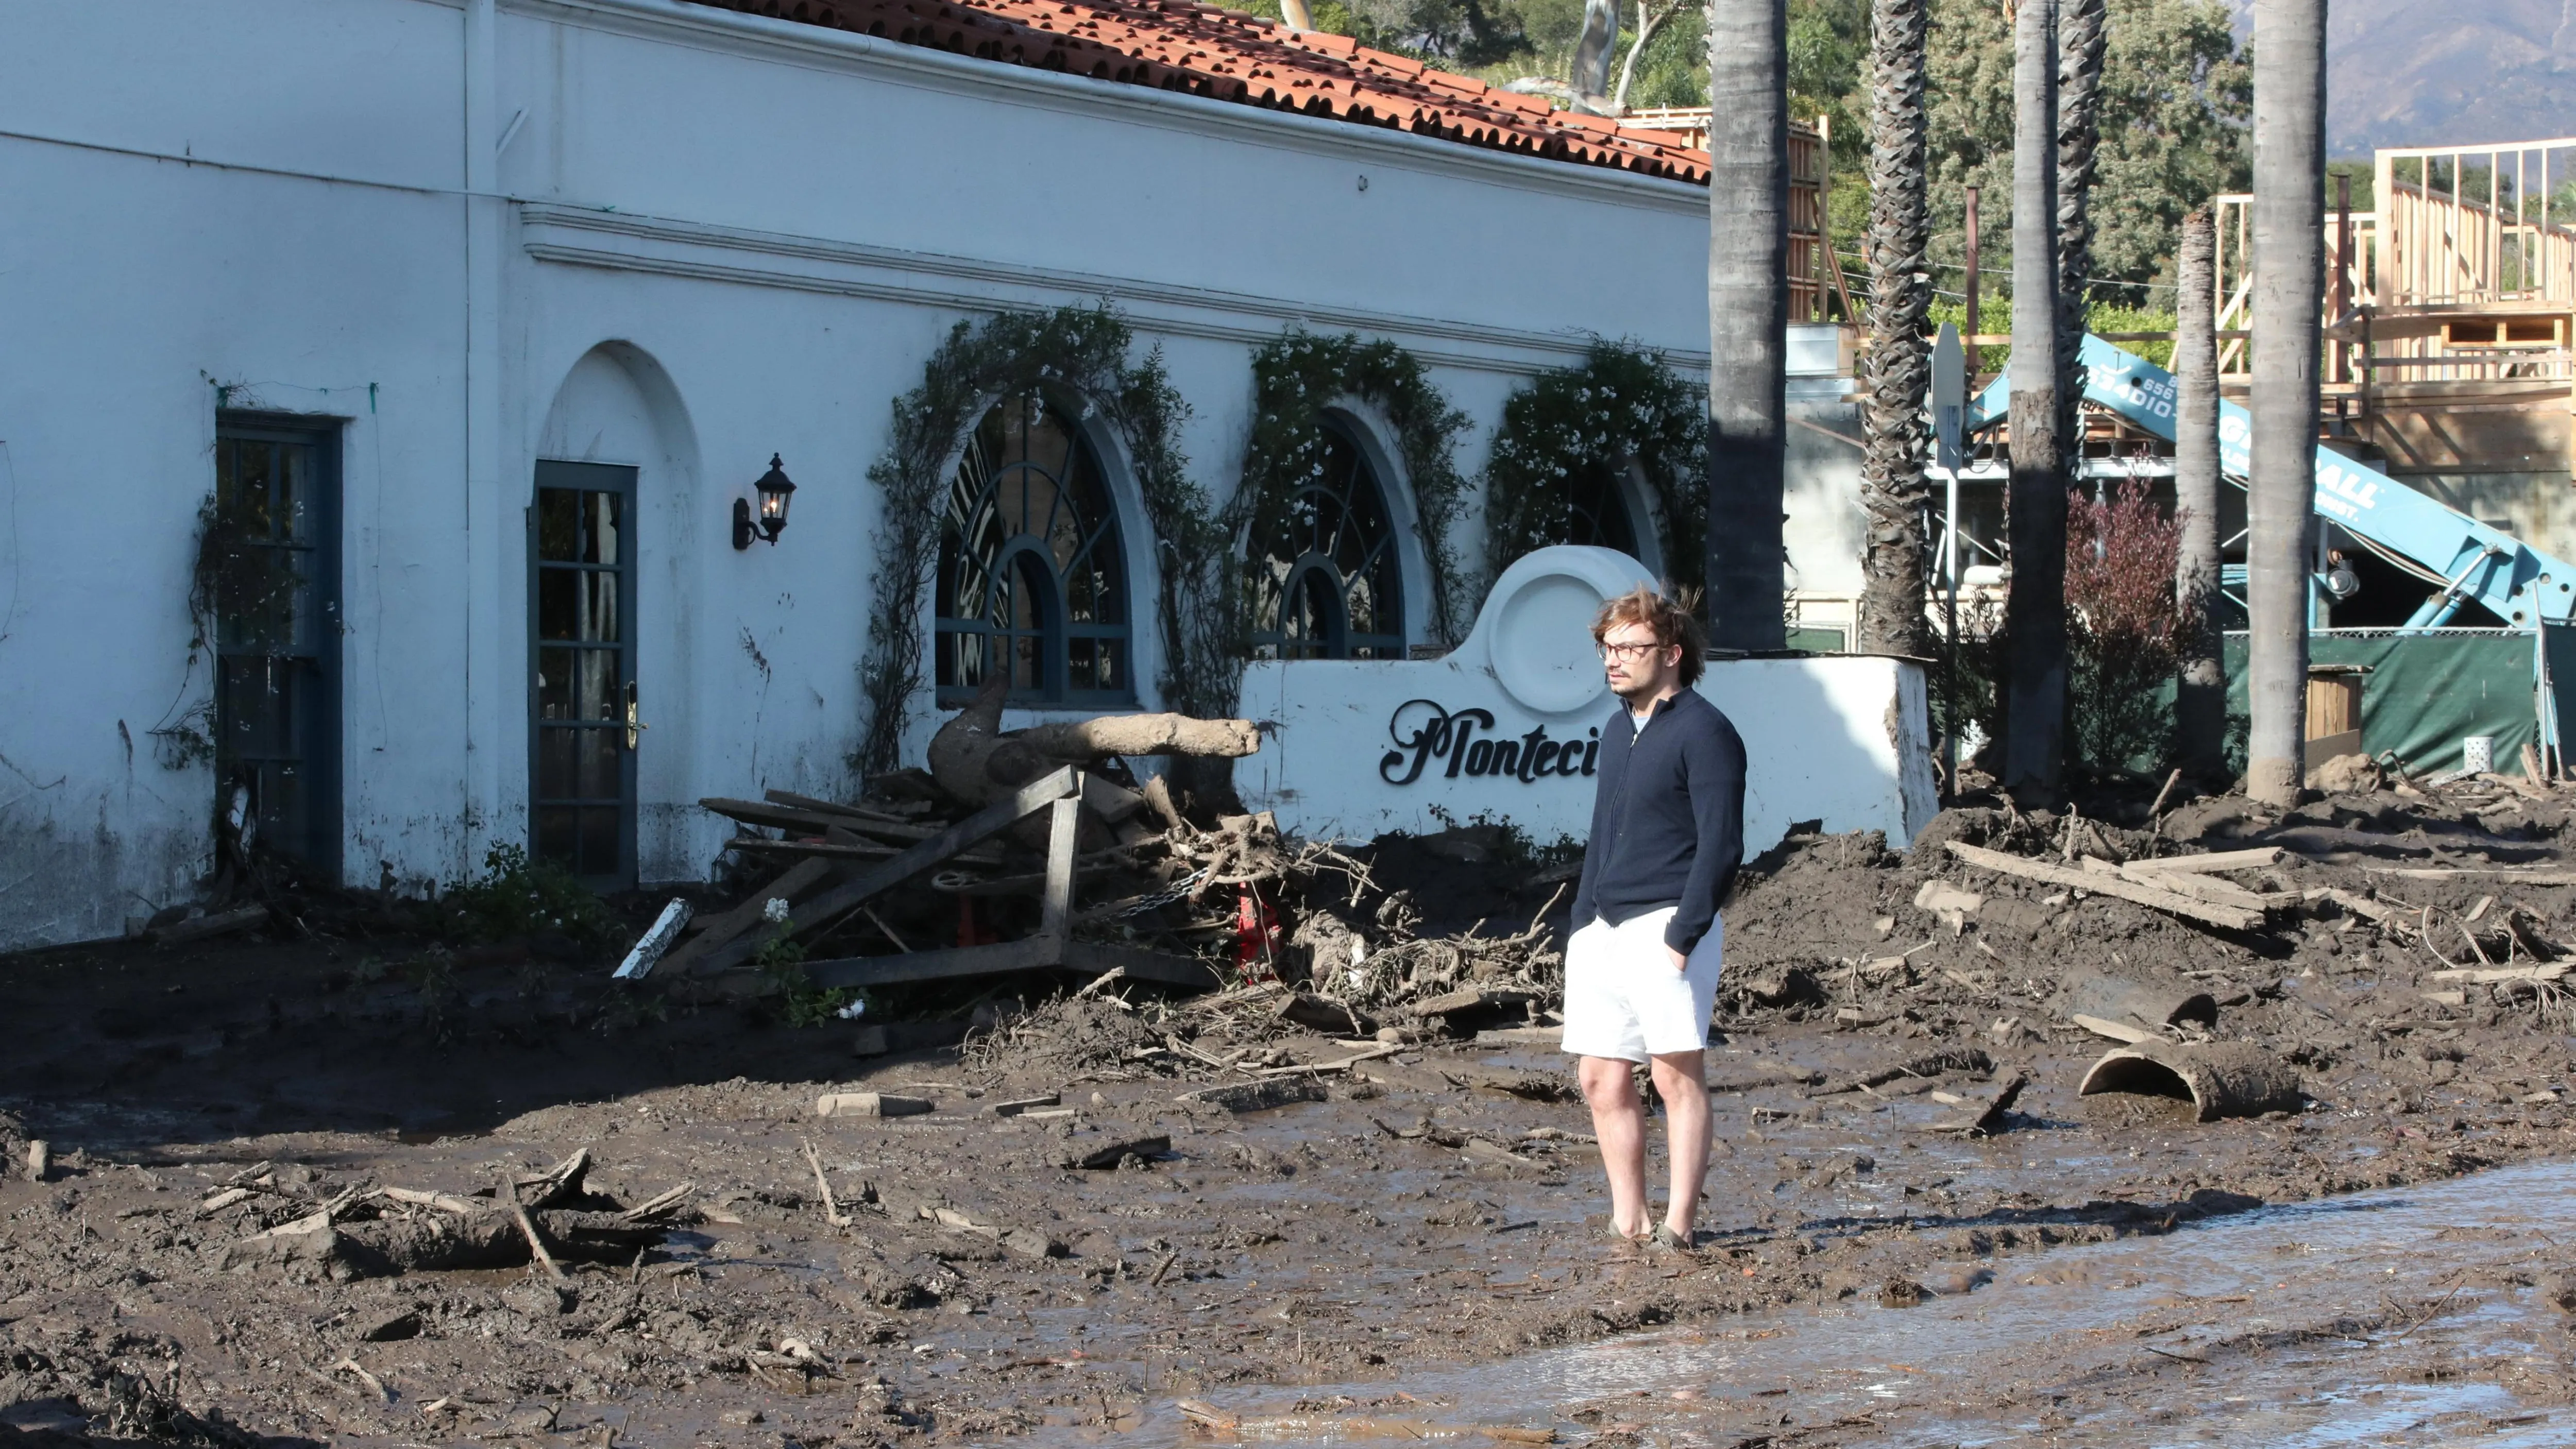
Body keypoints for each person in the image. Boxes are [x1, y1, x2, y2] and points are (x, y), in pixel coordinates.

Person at [1562, 585, 1746, 1250]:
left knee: (1674, 1074)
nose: (1613, 662)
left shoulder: (1707, 731)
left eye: (1629, 648)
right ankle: (1629, 1221)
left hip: (1668, 923)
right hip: (1603, 930)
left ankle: (1679, 1226)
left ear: (1671, 654)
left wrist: (1683, 936)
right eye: (1607, 649)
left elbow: (1723, 843)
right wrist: (1582, 922)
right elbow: (1602, 834)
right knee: (1599, 1077)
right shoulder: (1619, 728)